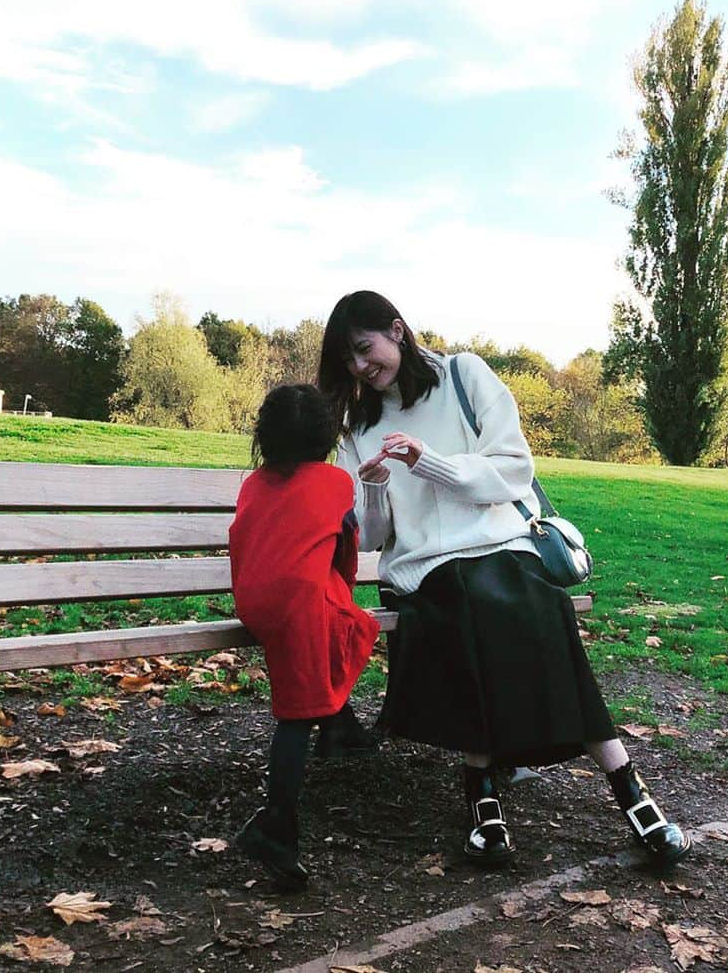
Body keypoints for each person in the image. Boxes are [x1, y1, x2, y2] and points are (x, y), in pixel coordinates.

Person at [318, 291, 691, 868]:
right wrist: (369, 488)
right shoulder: (356, 425)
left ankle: (611, 786)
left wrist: (428, 461)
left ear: (397, 330)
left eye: (365, 350)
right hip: (422, 569)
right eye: (349, 361)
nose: (361, 368)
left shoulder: (465, 376)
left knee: (538, 608)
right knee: (469, 603)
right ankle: (502, 791)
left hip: (503, 546)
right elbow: (371, 539)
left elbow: (514, 472)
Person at [229, 383, 382, 889]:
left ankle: (340, 724)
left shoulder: (254, 483)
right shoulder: (336, 483)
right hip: (296, 603)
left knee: (332, 626)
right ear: (325, 436)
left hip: (253, 600)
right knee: (346, 634)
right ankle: (277, 825)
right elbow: (346, 555)